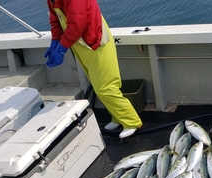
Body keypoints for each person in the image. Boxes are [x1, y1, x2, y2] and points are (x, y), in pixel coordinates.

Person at [44, 0, 142, 138]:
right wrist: (55, 41)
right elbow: (56, 20)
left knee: (106, 87)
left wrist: (61, 49)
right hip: (81, 45)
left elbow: (77, 24)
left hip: (95, 40)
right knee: (98, 86)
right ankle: (118, 118)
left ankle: (132, 121)